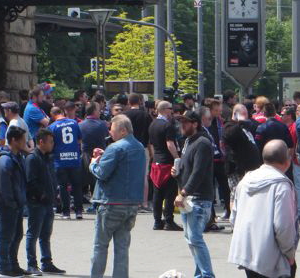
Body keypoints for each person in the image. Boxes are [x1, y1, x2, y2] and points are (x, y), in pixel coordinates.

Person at [228, 140, 298, 278]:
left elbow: (234, 218)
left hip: (248, 255)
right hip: (274, 258)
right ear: (287, 161)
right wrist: (289, 253)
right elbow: (283, 227)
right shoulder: (282, 186)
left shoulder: (246, 181)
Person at [89, 114, 146, 278]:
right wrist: (105, 155)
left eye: (112, 129)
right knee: (122, 249)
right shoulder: (139, 147)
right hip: (131, 204)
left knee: (100, 246)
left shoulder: (115, 148)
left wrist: (94, 163)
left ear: (122, 130)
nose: (109, 132)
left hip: (111, 203)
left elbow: (102, 173)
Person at [172, 111, 215, 278]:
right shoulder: (189, 141)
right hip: (191, 198)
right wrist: (177, 172)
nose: (181, 125)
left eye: (185, 122)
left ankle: (207, 275)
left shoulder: (202, 143)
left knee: (195, 239)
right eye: (181, 121)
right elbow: (190, 168)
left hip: (198, 198)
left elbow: (198, 172)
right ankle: (200, 274)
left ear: (195, 124)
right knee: (191, 240)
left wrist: (183, 192)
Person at [25, 128, 66, 276]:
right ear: (41, 142)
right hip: (37, 203)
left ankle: (46, 262)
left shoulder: (47, 157)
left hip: (48, 202)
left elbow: (51, 178)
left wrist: (55, 193)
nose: (53, 144)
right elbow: (30, 181)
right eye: (50, 141)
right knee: (33, 234)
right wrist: (41, 196)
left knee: (45, 235)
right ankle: (31, 264)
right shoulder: (32, 158)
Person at [0, 126, 28, 278]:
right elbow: (4, 185)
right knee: (6, 236)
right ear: (14, 140)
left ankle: (13, 265)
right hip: (8, 204)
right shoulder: (5, 159)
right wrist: (11, 202)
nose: (25, 142)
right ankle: (4, 267)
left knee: (17, 235)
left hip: (17, 203)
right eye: (22, 139)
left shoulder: (17, 156)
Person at [148, 101, 182, 231]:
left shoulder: (152, 124)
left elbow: (150, 143)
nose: (172, 111)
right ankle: (168, 220)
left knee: (157, 193)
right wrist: (177, 158)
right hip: (167, 162)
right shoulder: (168, 125)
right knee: (169, 193)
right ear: (164, 110)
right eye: (170, 109)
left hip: (156, 162)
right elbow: (170, 144)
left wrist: (153, 157)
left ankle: (157, 221)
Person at [223, 104, 262, 209]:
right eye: (243, 114)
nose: (246, 117)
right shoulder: (229, 125)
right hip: (236, 168)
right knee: (236, 194)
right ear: (235, 114)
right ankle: (235, 221)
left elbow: (257, 126)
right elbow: (228, 135)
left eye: (246, 114)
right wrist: (239, 122)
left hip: (249, 168)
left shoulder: (246, 125)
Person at [48, 107, 83, 220]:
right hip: (74, 159)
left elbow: (51, 145)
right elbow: (79, 140)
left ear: (52, 115)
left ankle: (66, 212)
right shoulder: (73, 123)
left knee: (63, 187)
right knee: (77, 186)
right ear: (62, 112)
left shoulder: (52, 127)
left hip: (60, 161)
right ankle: (79, 211)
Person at [80, 102, 110, 208]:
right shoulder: (102, 124)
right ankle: (96, 201)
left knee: (85, 178)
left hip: (85, 155)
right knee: (97, 179)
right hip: (99, 155)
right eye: (98, 110)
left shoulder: (81, 125)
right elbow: (107, 136)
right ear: (94, 111)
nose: (100, 111)